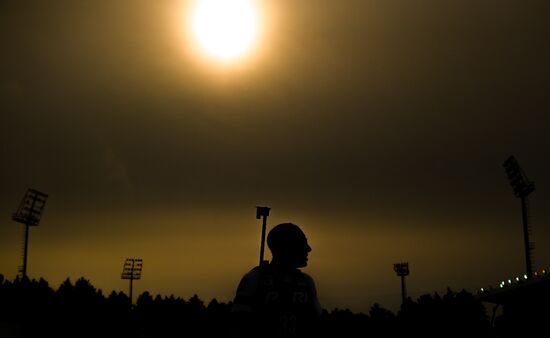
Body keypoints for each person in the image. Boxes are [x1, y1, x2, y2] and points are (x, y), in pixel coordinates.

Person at [231, 223, 322, 338]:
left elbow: (317, 324)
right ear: (287, 247)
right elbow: (239, 324)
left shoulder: (306, 282)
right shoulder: (254, 280)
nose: (309, 249)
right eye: (302, 243)